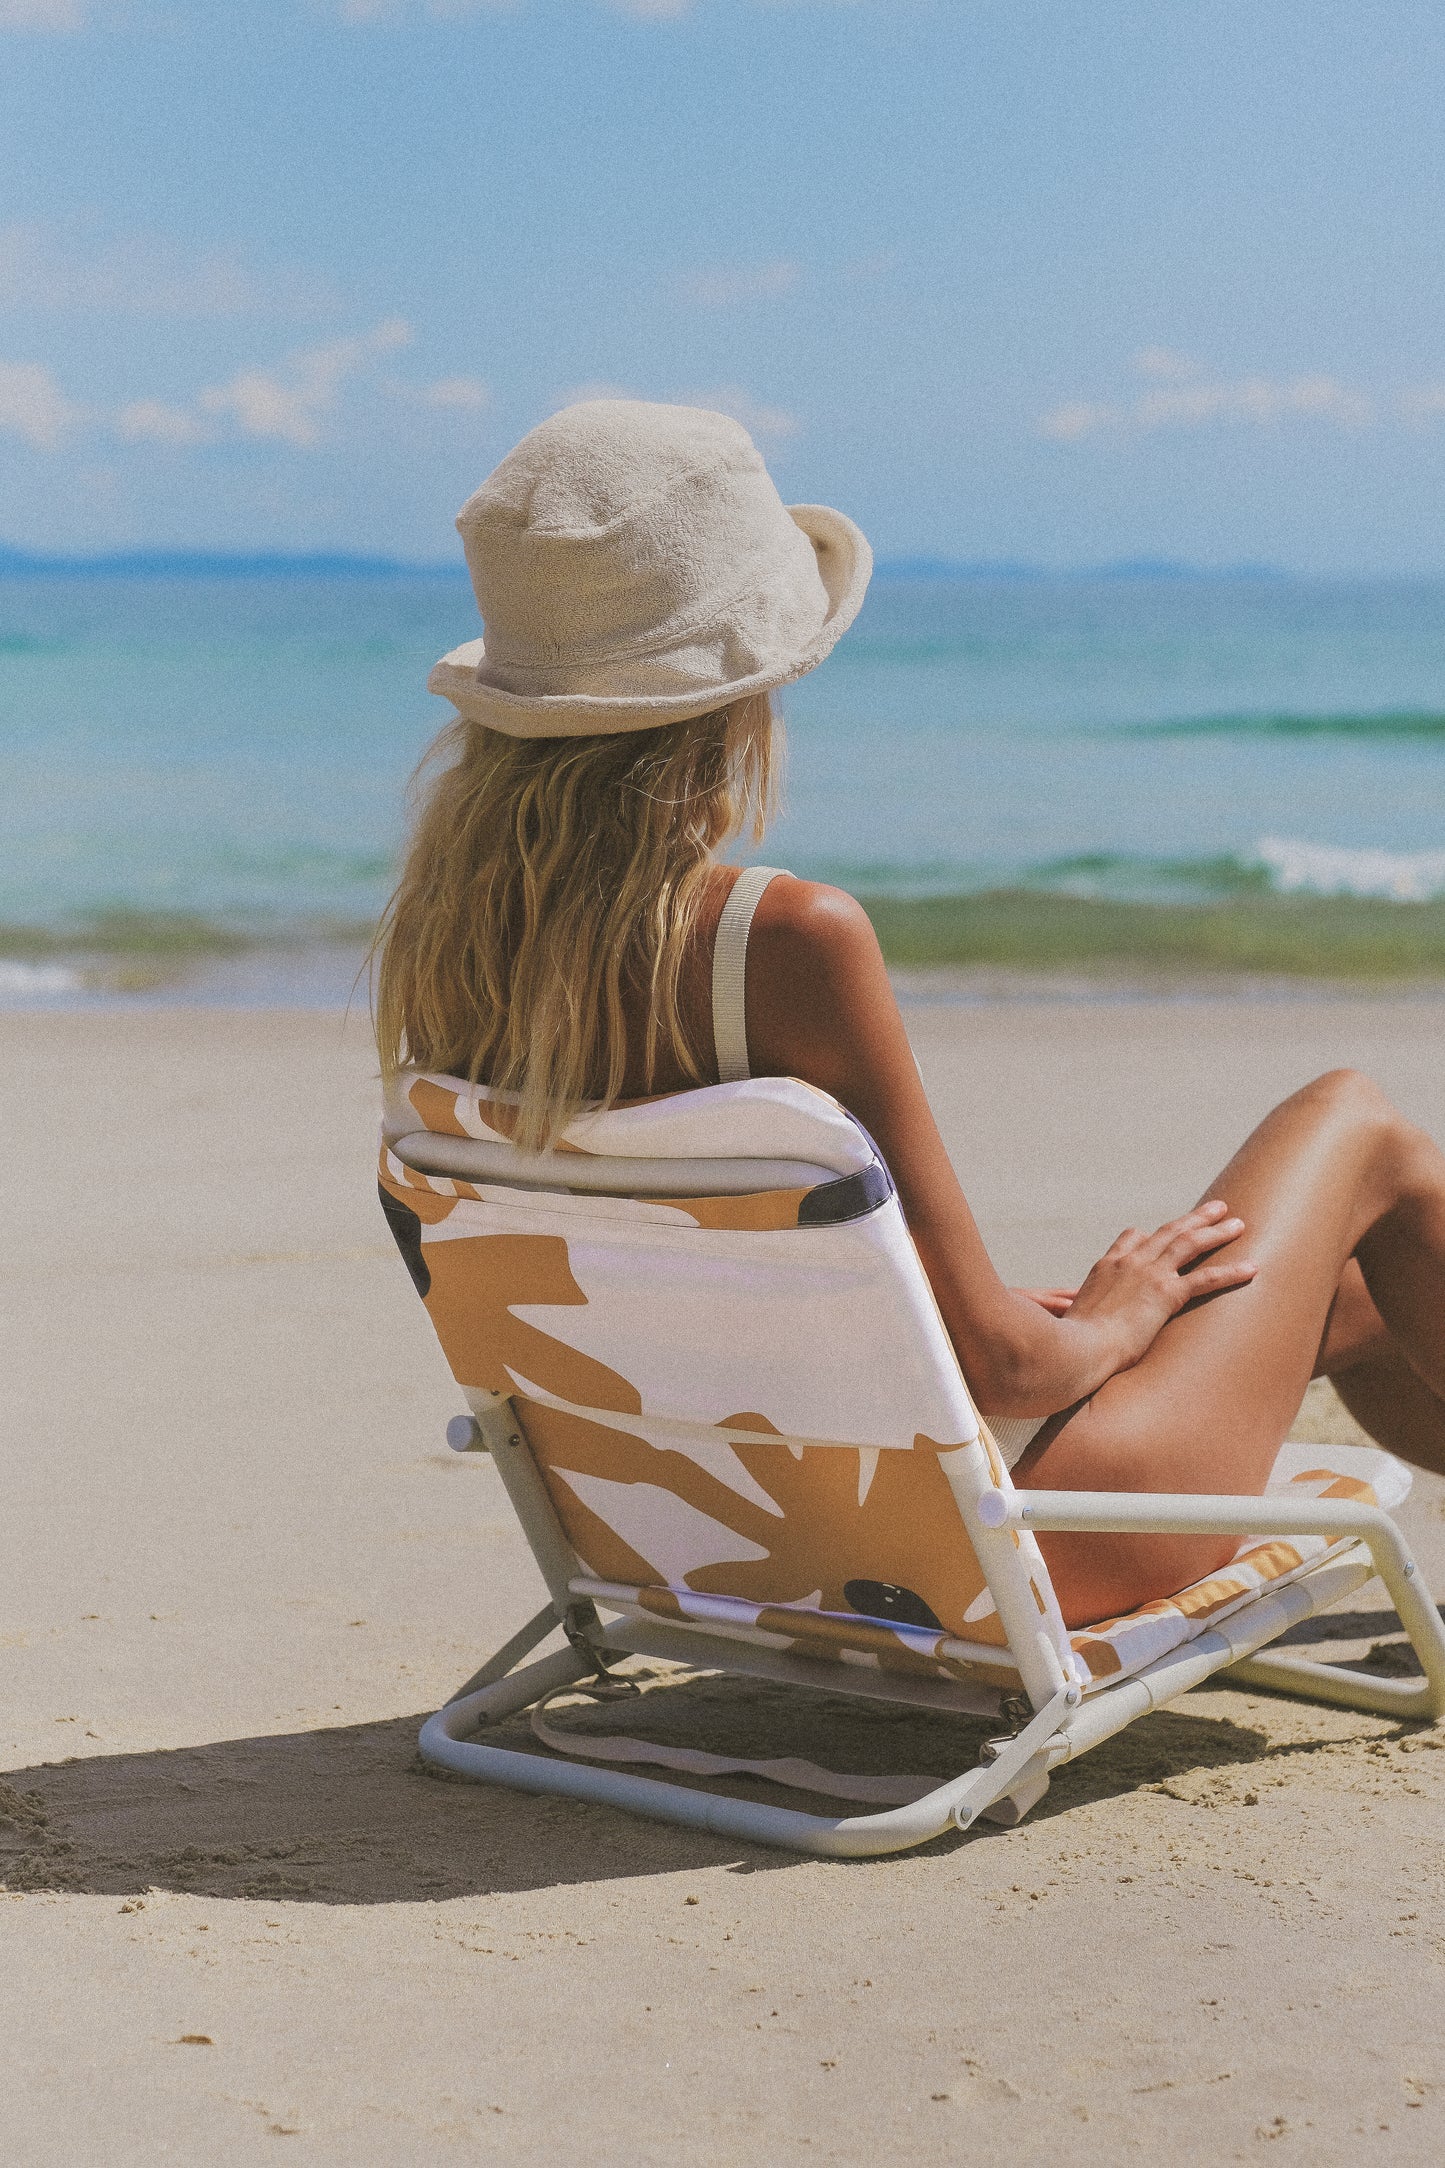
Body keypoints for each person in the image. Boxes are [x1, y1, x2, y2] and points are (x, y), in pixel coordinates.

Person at [377, 398, 1445, 1629]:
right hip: (1012, 1552)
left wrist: (977, 1313)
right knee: (1355, 1124)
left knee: (1349, 1298)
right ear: (737, 694)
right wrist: (1115, 1313)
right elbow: (1006, 1369)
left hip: (722, 1539)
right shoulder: (778, 939)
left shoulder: (453, 950)